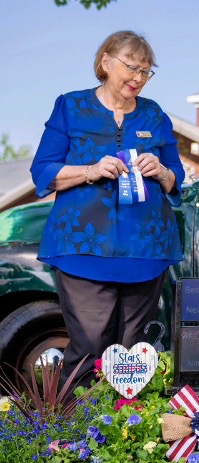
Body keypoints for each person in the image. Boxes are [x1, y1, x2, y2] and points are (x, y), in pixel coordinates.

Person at [30, 31, 185, 388]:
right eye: (132, 67)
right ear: (105, 62)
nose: (138, 78)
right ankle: (77, 439)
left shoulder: (154, 114)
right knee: (88, 346)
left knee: (134, 355)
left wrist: (162, 172)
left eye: (147, 72)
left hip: (146, 250)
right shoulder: (70, 107)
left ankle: (127, 436)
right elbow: (43, 171)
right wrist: (90, 170)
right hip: (82, 249)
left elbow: (177, 178)